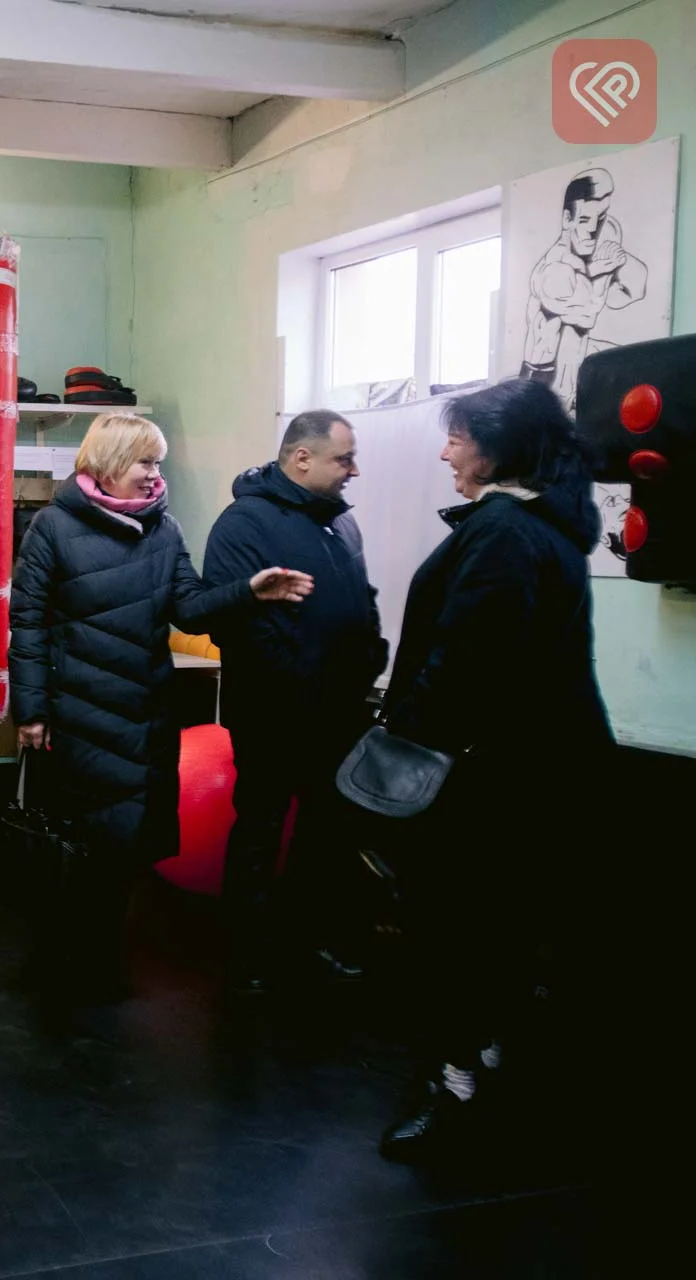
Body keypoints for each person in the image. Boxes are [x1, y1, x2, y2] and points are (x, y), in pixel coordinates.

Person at [374, 379, 611, 1163]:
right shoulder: (542, 524)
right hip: (537, 774)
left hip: (495, 782)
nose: (446, 451)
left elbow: (468, 663)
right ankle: (487, 1076)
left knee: (460, 941)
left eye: (459, 437)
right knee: (502, 939)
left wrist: (400, 739)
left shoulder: (506, 529)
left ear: (497, 449)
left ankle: (457, 1092)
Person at [8, 415, 312, 998]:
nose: (155, 474)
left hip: (146, 713)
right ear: (108, 462)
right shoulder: (52, 526)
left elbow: (189, 609)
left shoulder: (163, 529)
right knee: (90, 843)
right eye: (145, 461)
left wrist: (248, 592)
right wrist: (32, 710)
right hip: (78, 712)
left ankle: (97, 960)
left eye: (158, 462)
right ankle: (66, 961)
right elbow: (27, 623)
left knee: (126, 846)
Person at [204, 411, 387, 993]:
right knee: (262, 827)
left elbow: (361, 598)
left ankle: (308, 940)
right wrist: (302, 688)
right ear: (302, 458)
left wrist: (371, 657)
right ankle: (246, 952)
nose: (353, 470)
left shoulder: (340, 522)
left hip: (340, 712)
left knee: (327, 831)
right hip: (273, 714)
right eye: (344, 459)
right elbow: (235, 624)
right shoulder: (244, 523)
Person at [517, 167, 648, 412]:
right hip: (540, 393)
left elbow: (634, 290)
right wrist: (604, 269)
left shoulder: (588, 262)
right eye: (585, 219)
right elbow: (586, 311)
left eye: (601, 218)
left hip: (570, 390)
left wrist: (615, 255)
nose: (593, 230)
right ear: (567, 219)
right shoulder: (553, 270)